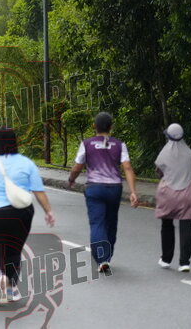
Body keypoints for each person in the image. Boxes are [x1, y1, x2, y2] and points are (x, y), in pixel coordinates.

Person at [0, 127, 54, 302]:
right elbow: (38, 191)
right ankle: (11, 286)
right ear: (15, 142)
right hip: (20, 213)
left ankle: (1, 276)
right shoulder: (26, 163)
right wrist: (48, 211)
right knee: (14, 250)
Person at [68, 112, 139, 273]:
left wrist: (71, 179)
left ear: (94, 126)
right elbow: (127, 167)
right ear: (111, 127)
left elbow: (78, 166)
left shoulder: (86, 144)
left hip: (94, 188)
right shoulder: (119, 145)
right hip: (114, 188)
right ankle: (107, 256)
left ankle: (102, 259)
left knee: (97, 223)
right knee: (111, 223)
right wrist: (133, 192)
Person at [154, 123, 191, 272]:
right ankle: (184, 262)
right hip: (186, 193)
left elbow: (159, 171)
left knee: (167, 225)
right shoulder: (190, 154)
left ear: (168, 136)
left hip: (168, 193)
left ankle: (166, 259)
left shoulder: (164, 153)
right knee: (186, 228)